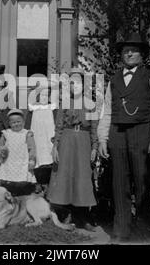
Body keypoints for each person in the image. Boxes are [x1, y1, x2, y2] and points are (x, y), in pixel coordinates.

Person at [97, 32, 150, 241]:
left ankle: (142, 232)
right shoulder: (114, 79)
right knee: (119, 184)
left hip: (142, 132)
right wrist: (102, 139)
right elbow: (107, 112)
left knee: (142, 183)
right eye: (125, 51)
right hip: (117, 134)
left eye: (133, 51)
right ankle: (121, 231)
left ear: (142, 55)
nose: (128, 54)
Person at [47, 67, 98, 231]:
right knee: (65, 177)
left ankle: (83, 217)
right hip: (67, 142)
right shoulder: (64, 103)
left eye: (78, 81)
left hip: (83, 142)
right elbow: (59, 127)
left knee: (83, 178)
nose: (75, 85)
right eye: (72, 82)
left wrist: (94, 147)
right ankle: (66, 215)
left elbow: (94, 128)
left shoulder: (90, 104)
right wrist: (55, 146)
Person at [0, 109, 37, 196]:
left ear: (23, 122)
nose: (16, 124)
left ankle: (23, 194)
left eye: (18, 122)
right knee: (8, 179)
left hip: (22, 161)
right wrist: (0, 154)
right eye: (13, 122)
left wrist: (32, 159)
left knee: (23, 180)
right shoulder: (6, 133)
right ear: (9, 124)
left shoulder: (27, 133)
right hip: (9, 161)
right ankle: (10, 193)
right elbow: (0, 145)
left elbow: (32, 148)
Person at [26, 84, 57, 194]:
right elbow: (28, 124)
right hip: (38, 137)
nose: (44, 97)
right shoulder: (33, 109)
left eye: (46, 95)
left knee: (49, 159)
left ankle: (49, 183)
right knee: (37, 159)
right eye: (42, 95)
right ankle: (37, 182)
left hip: (48, 137)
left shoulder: (51, 108)